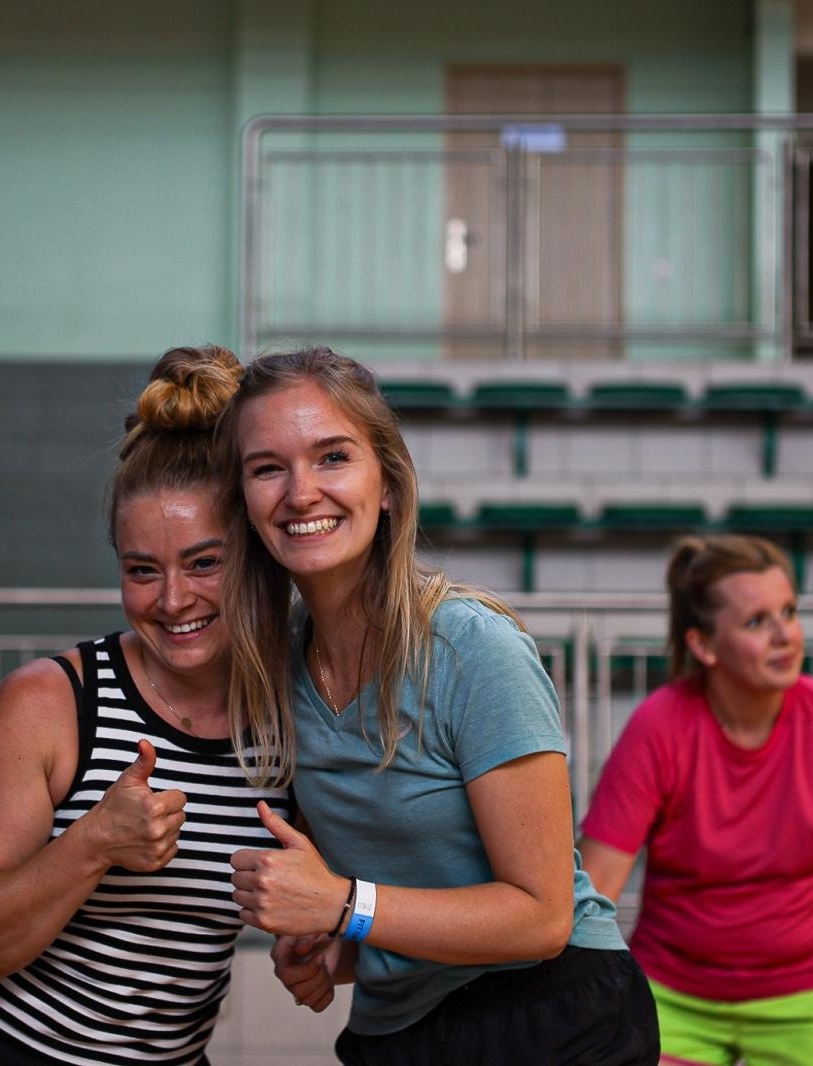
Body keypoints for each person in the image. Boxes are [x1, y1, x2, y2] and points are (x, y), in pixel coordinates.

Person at [216, 346, 659, 1066]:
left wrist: (343, 907)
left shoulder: (470, 648)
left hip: (552, 1011)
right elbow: (406, 896)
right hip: (399, 1030)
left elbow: (541, 918)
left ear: (387, 484)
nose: (300, 493)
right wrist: (333, 952)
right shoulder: (278, 670)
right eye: (268, 468)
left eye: (332, 457)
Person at [0, 345, 292, 1066]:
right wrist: (95, 843)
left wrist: (321, 943)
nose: (172, 601)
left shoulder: (295, 718)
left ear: (260, 556)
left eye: (205, 563)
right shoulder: (51, 703)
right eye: (142, 571)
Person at [579, 534, 813, 1066]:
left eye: (789, 612)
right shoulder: (658, 728)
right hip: (673, 995)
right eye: (758, 622)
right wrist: (577, 1012)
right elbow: (596, 886)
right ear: (703, 645)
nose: (786, 635)